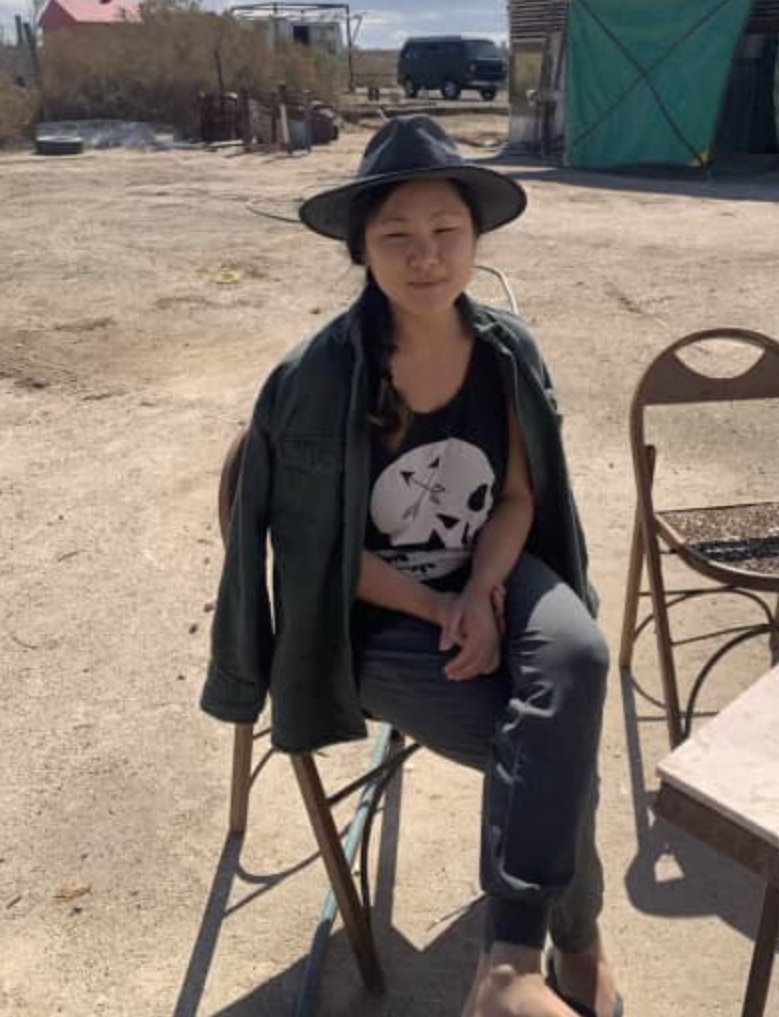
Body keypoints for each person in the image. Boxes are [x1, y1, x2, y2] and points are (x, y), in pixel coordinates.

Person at [201, 115, 622, 1017]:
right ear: (361, 249)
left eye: (446, 233)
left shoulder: (506, 351)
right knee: (552, 751)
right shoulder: (316, 377)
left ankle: (506, 965)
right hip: (378, 615)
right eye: (396, 236)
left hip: (493, 573)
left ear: (475, 240)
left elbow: (515, 499)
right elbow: (317, 555)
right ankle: (565, 940)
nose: (425, 256)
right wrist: (440, 612)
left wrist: (477, 589)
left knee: (577, 660)